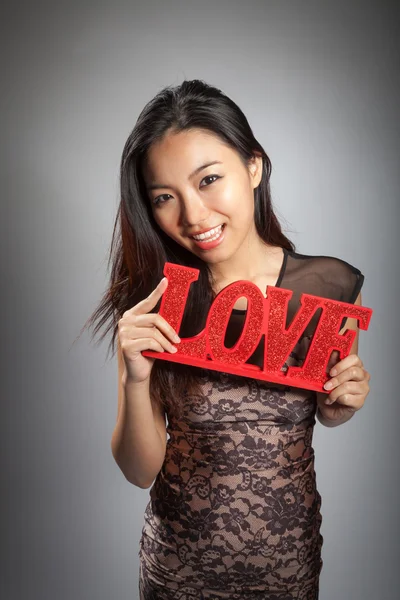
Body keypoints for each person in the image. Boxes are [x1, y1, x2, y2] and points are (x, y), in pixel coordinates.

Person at [85, 79, 371, 599]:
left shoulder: (327, 288)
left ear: (254, 167)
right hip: (178, 573)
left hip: (288, 569)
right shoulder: (159, 300)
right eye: (164, 197)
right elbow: (138, 470)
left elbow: (326, 409)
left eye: (209, 179)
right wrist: (134, 377)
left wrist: (342, 402)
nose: (193, 216)